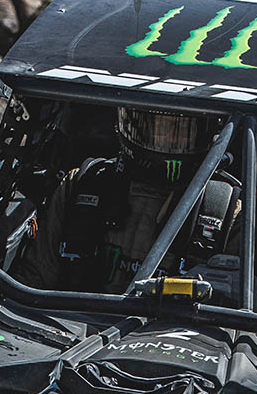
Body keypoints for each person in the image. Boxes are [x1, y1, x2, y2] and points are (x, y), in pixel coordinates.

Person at [15, 108, 215, 293]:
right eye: (157, 127)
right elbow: (33, 282)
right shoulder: (82, 184)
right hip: (71, 317)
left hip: (169, 321)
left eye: (181, 129)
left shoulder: (220, 208)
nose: (167, 138)